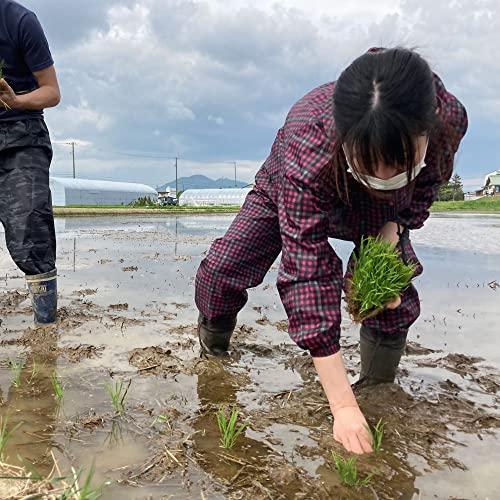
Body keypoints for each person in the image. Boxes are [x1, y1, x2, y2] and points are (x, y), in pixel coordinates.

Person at [195, 47, 468, 455]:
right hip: (291, 188)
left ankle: (377, 387)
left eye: (399, 163)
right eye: (371, 163)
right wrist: (340, 405)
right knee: (224, 267)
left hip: (387, 213)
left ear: (427, 132)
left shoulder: (447, 119)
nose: (383, 177)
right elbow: (308, 272)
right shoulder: (309, 135)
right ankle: (213, 346)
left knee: (389, 293)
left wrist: (388, 240)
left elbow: (424, 188)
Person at [0, 0, 61, 324]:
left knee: (29, 231)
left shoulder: (19, 20)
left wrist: (16, 100)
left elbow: (51, 92)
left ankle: (45, 327)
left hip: (21, 136)